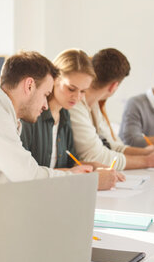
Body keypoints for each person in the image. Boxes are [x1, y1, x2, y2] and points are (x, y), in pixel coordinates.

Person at [0, 51, 117, 190]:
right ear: (29, 86)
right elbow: (29, 177)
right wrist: (88, 181)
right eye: (46, 94)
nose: (46, 105)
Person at [20, 49, 122, 181]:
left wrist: (94, 167)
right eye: (71, 89)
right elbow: (28, 173)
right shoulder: (30, 116)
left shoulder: (65, 115)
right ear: (54, 79)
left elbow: (71, 162)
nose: (77, 97)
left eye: (83, 91)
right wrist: (88, 177)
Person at [69, 48, 154, 170]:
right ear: (114, 86)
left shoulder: (93, 104)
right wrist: (149, 161)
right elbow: (96, 157)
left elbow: (112, 146)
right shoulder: (75, 105)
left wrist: (148, 152)